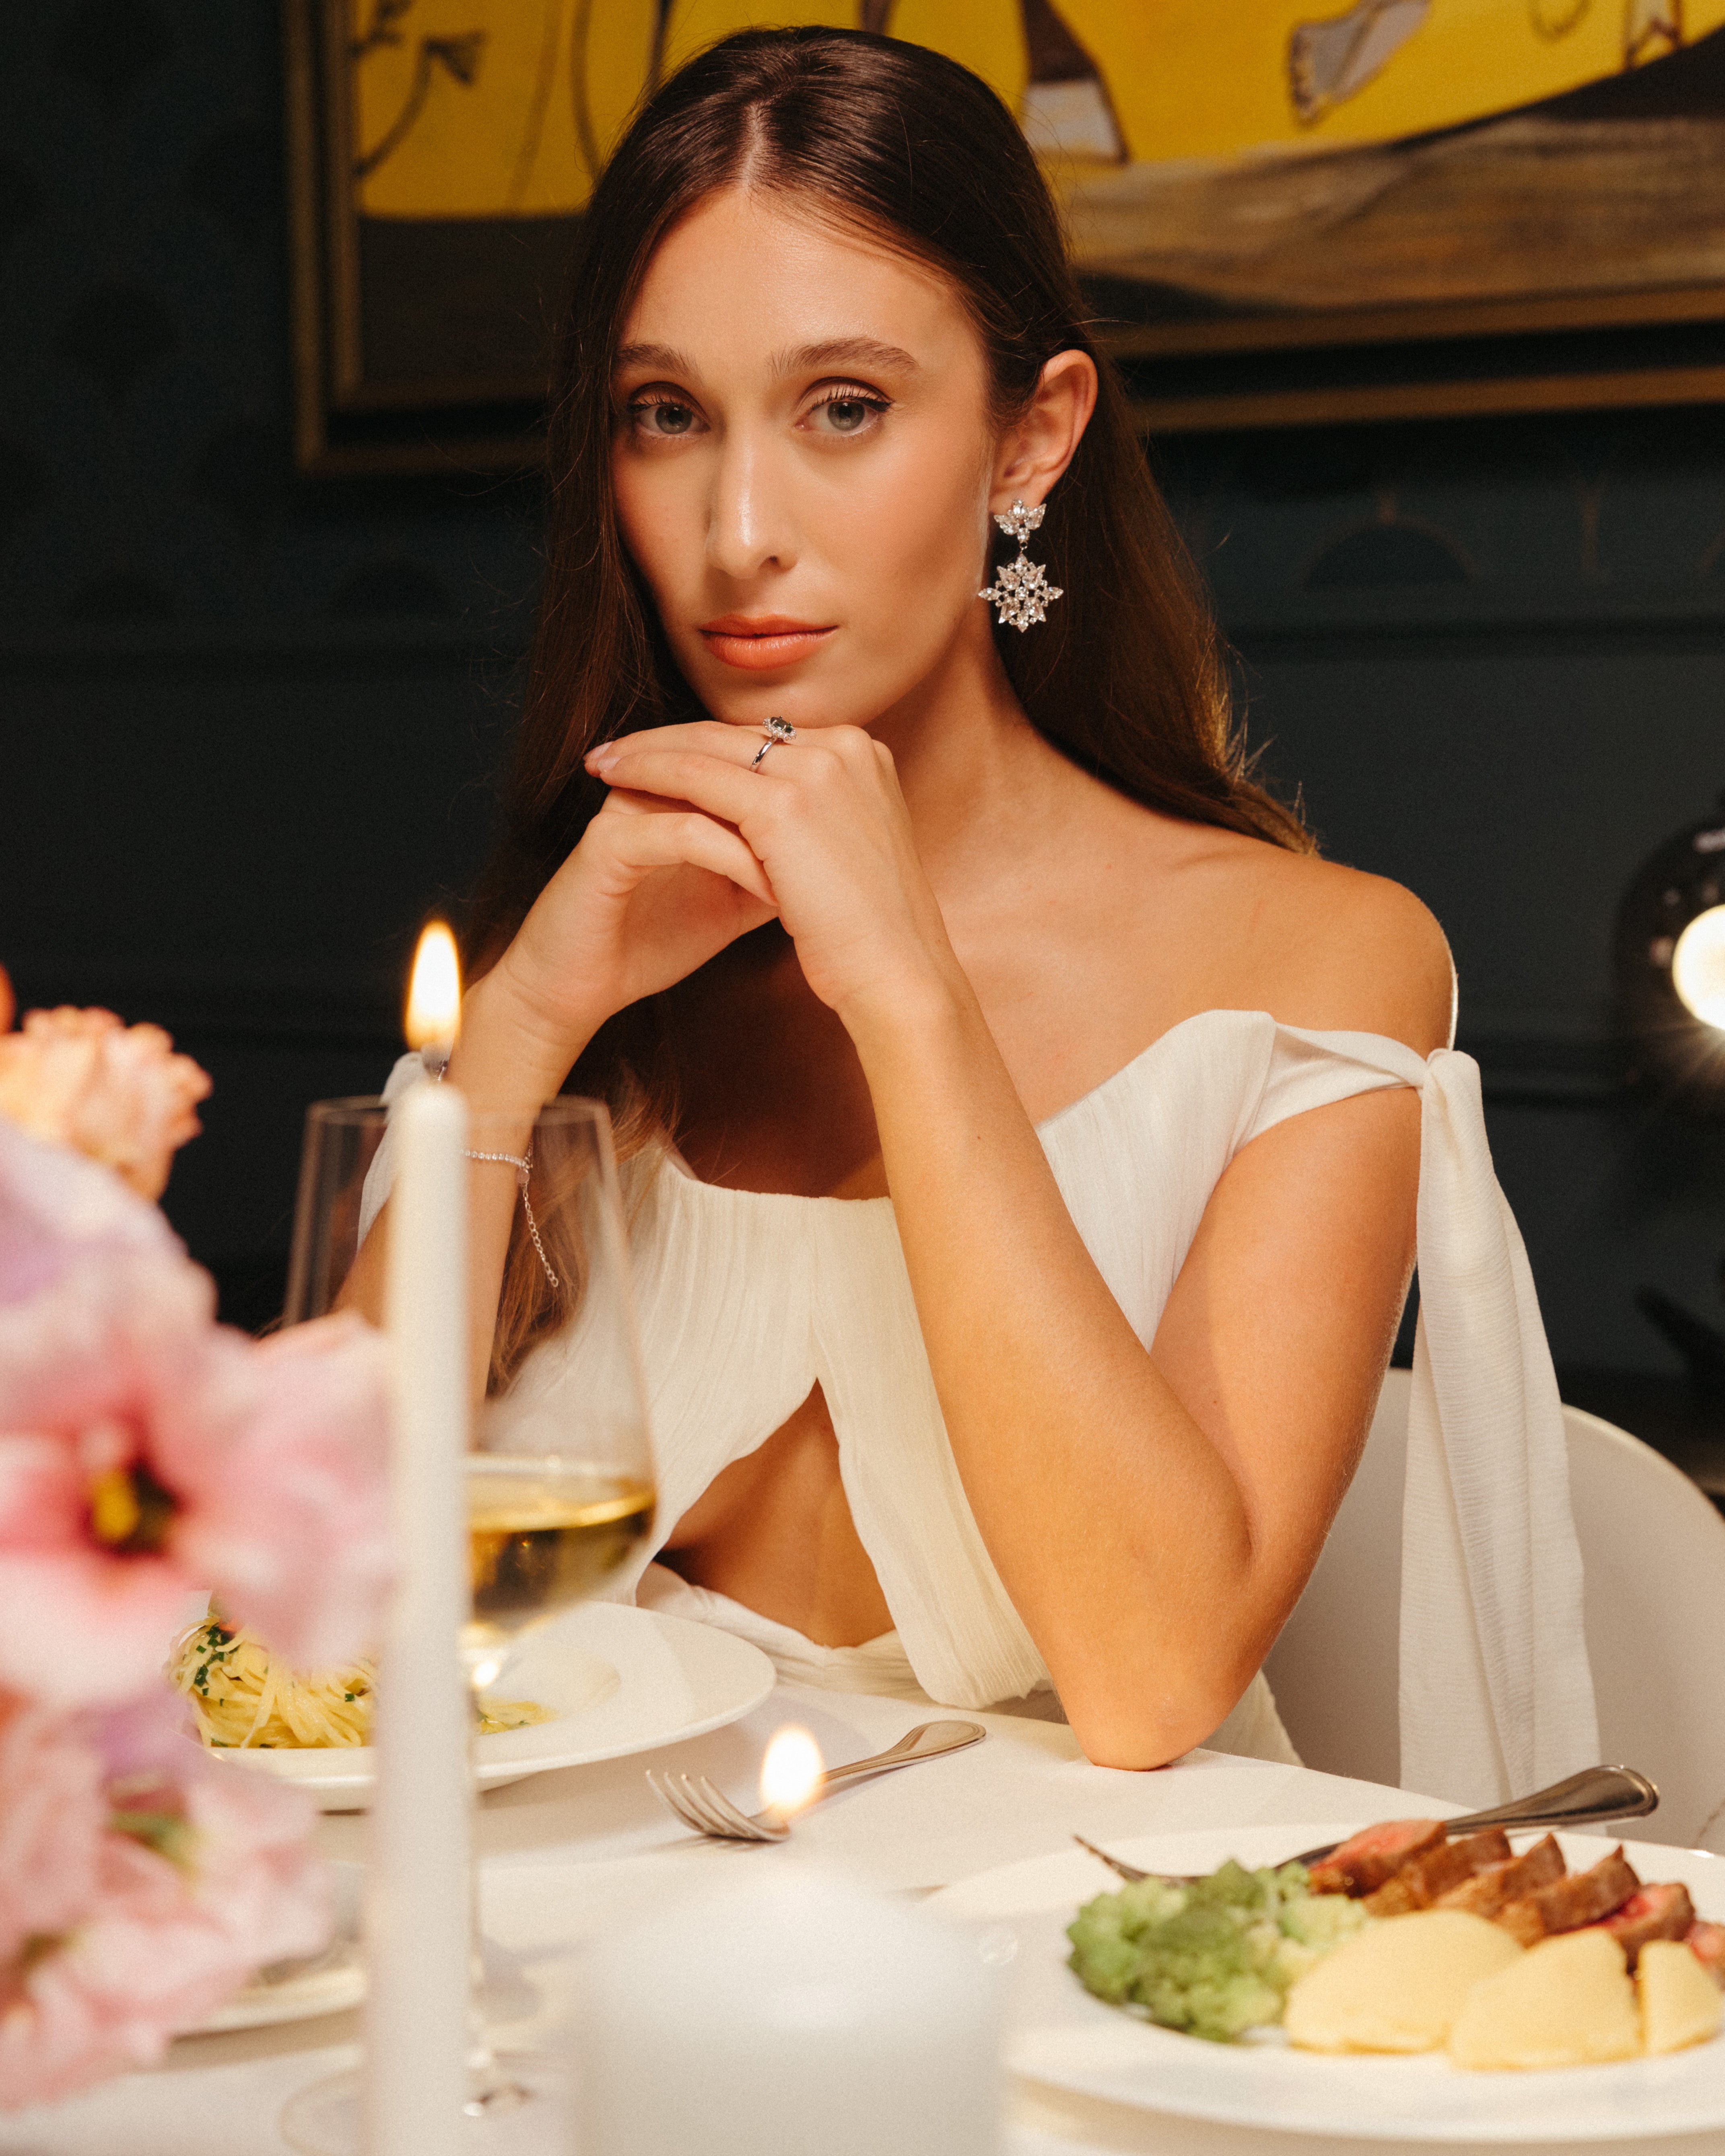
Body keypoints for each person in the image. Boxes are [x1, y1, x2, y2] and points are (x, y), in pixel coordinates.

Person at [363, 27, 1597, 1796]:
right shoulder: (596, 945)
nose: (738, 527)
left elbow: (1150, 1672)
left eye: (843, 407)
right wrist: (532, 1010)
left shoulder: (1315, 962)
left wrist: (909, 999)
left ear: (1033, 435)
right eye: (666, 415)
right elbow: (299, 1608)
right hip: (583, 1950)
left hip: (1080, 1976)